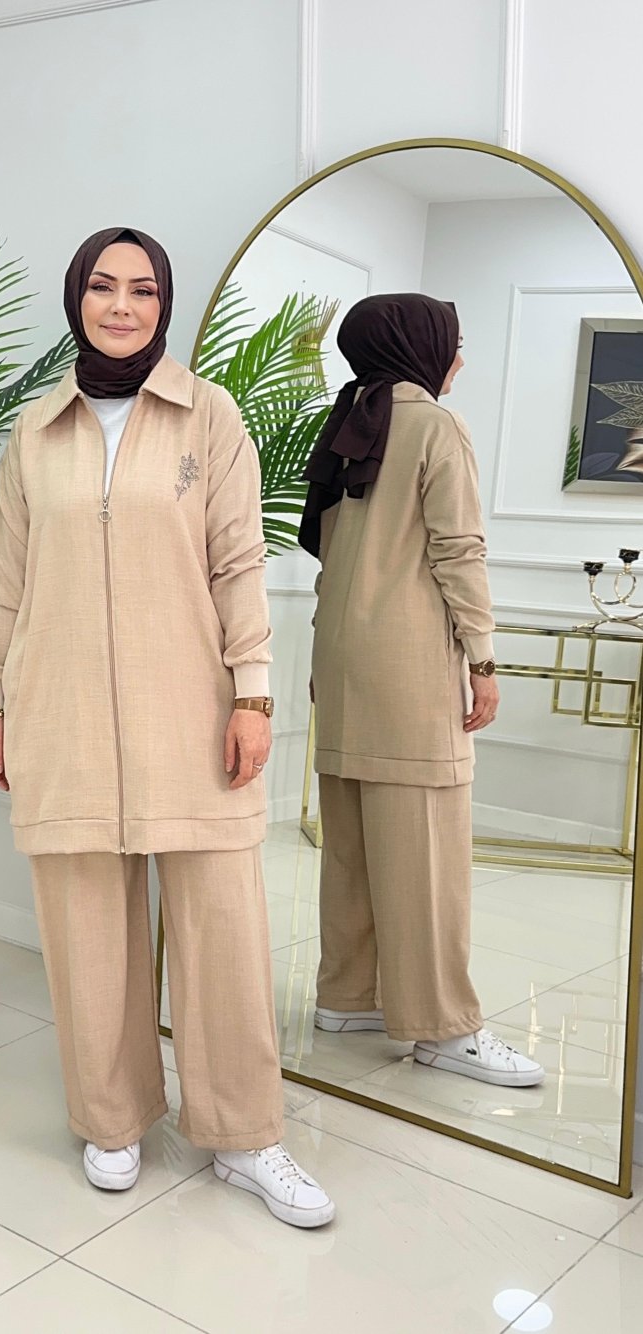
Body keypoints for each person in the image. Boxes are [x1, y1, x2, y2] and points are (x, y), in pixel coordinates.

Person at [0, 227, 335, 1227]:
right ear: (77, 300)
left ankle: (245, 1133)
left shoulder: (207, 414)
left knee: (223, 923)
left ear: (163, 304)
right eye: (102, 286)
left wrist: (253, 694)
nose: (121, 305)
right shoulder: (33, 432)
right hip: (60, 708)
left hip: (191, 707)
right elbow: (8, 582)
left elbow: (237, 562)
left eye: (141, 289)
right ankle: (112, 1115)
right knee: (85, 924)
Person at [299, 293, 544, 1088]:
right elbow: (457, 549)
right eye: (454, 342)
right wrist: (483, 659)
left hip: (341, 656)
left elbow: (329, 552)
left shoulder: (348, 421)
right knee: (426, 852)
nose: (460, 359)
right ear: (418, 345)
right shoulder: (434, 426)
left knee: (352, 844)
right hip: (407, 665)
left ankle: (349, 998)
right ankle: (442, 1028)